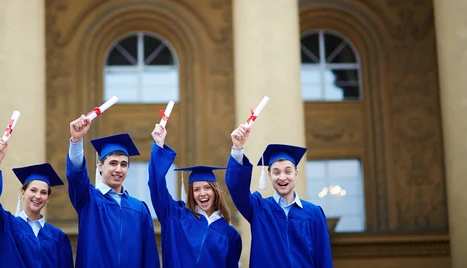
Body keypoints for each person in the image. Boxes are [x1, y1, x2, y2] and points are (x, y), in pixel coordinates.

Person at [226, 125, 333, 268]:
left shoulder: (313, 213)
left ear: (296, 173)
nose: (282, 177)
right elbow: (237, 188)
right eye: (276, 172)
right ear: (270, 175)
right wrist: (237, 149)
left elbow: (323, 259)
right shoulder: (259, 209)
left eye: (288, 171)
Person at [67, 114, 160, 268]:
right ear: (100, 166)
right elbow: (76, 175)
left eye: (124, 164)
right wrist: (76, 141)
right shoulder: (89, 200)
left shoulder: (139, 209)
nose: (118, 169)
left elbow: (149, 257)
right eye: (113, 163)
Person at [148, 124, 242, 268]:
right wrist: (159, 146)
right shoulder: (176, 216)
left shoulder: (229, 234)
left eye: (207, 188)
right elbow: (156, 186)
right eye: (196, 189)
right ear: (191, 194)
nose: (202, 193)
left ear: (215, 191)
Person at [0, 138, 74, 268]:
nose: (38, 196)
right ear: (23, 193)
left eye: (43, 193)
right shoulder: (4, 225)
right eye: (33, 190)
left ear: (48, 198)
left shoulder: (58, 237)